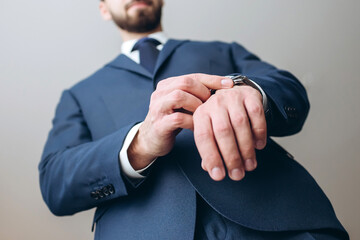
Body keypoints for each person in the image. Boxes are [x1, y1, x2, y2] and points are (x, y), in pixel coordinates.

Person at [39, 0, 349, 239]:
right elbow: (55, 182)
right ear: (104, 9)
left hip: (282, 222)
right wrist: (139, 143)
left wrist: (247, 89)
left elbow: (290, 90)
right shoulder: (78, 93)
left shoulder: (223, 50)